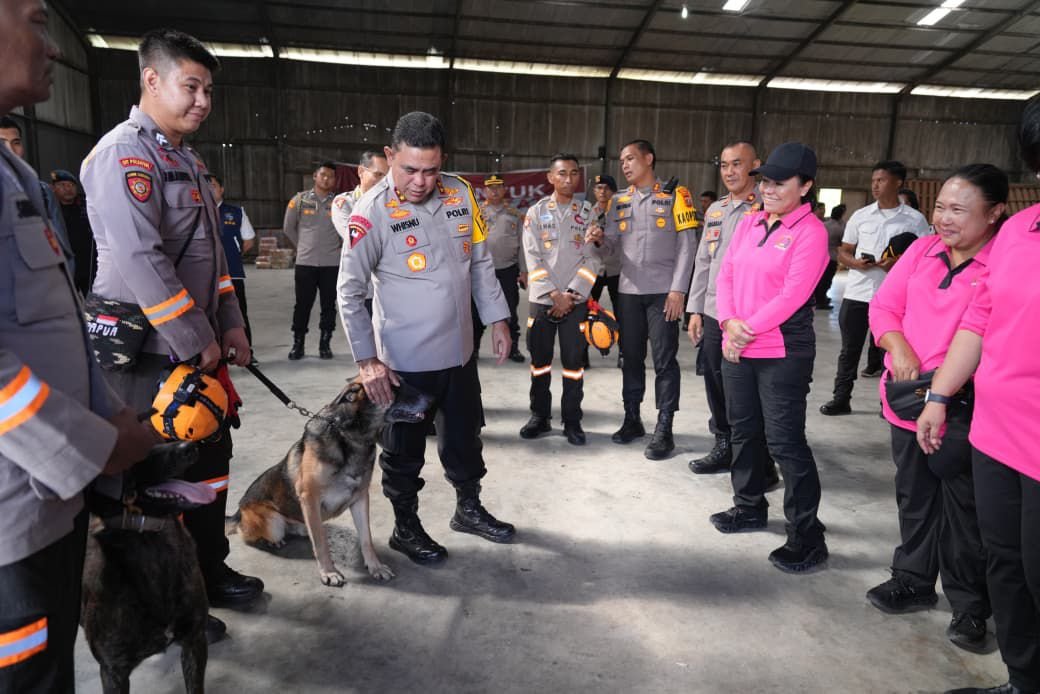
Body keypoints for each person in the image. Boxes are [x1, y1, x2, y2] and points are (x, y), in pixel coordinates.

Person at [81, 29, 263, 634]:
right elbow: (142, 260)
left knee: (207, 463)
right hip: (145, 354)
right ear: (151, 80)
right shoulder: (123, 156)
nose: (203, 101)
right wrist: (195, 338)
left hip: (195, 352)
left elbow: (214, 260)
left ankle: (207, 572)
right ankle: (164, 604)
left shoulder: (187, 160)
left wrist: (230, 324)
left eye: (208, 90)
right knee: (153, 480)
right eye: (192, 86)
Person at [0, 2, 156, 690]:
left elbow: (59, 318)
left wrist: (109, 415)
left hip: (47, 504)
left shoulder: (16, 176)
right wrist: (95, 445)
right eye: (37, 21)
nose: (54, 46)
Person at [338, 111, 515, 565]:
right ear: (390, 155)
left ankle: (468, 509)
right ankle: (405, 527)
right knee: (403, 451)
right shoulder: (370, 213)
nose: (420, 182)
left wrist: (498, 318)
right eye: (410, 169)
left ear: (444, 162)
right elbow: (349, 293)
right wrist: (368, 362)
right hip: (404, 363)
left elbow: (479, 261)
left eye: (431, 170)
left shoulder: (461, 193)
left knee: (464, 437)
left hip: (459, 352)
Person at [918, 100, 1040, 694]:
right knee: (1006, 564)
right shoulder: (1019, 229)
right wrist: (939, 395)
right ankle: (1023, 680)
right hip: (996, 433)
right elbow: (979, 320)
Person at [867, 165, 1005, 654]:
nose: (945, 218)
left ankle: (970, 606)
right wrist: (899, 348)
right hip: (907, 398)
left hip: (964, 405)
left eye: (959, 210)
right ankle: (913, 579)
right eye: (941, 207)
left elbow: (987, 334)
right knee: (914, 495)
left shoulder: (1001, 263)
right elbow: (883, 307)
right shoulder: (922, 251)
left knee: (964, 509)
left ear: (994, 213)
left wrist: (944, 389)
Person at [710, 142, 830, 574]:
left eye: (780, 183)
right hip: (738, 345)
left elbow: (793, 295)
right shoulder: (750, 221)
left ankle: (807, 536)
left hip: (781, 351)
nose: (769, 189)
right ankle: (748, 506)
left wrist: (744, 329)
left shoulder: (811, 233)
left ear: (806, 186)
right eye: (766, 182)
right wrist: (728, 322)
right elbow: (726, 274)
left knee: (784, 442)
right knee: (743, 430)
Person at [597, 139, 697, 460]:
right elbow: (611, 247)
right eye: (622, 160)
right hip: (628, 291)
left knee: (664, 360)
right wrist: (598, 240)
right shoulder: (619, 201)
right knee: (630, 357)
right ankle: (632, 418)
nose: (625, 165)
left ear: (649, 158)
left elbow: (687, 245)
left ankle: (664, 428)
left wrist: (678, 290)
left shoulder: (676, 196)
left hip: (663, 293)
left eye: (630, 158)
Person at [686, 141, 777, 489]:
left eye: (737, 164)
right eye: (724, 165)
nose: (729, 172)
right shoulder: (716, 210)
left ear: (755, 165)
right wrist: (695, 309)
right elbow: (703, 262)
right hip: (714, 311)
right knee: (716, 381)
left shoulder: (767, 207)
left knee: (751, 392)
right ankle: (724, 444)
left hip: (751, 316)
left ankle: (760, 460)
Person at [820, 161, 929, 415]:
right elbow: (844, 251)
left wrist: (896, 265)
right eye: (873, 181)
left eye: (881, 180)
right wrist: (855, 263)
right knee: (849, 351)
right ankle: (841, 399)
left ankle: (887, 404)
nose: (875, 185)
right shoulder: (861, 216)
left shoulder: (915, 220)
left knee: (887, 355)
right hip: (857, 294)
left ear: (898, 182)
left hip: (893, 300)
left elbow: (924, 258)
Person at [519, 154, 602, 446]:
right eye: (562, 173)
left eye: (574, 173)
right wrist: (554, 294)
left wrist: (571, 294)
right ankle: (539, 416)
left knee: (573, 364)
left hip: (575, 302)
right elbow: (532, 256)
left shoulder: (588, 213)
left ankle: (572, 420)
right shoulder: (536, 212)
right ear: (550, 177)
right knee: (540, 362)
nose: (569, 179)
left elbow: (593, 259)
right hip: (543, 300)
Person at [0, 114, 73, 274]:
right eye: (2, 144)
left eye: (16, 143)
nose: (10, 150)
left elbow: (62, 250)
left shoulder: (43, 193)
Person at [284, 161, 341, 360]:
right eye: (323, 174)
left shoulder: (340, 203)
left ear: (334, 180)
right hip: (305, 263)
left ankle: (325, 344)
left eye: (330, 176)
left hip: (331, 264)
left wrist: (339, 248)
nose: (326, 179)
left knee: (329, 306)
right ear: (315, 176)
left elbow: (347, 229)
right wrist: (302, 247)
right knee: (302, 305)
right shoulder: (299, 200)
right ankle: (298, 344)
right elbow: (288, 228)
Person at [475, 173, 526, 363]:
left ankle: (513, 349)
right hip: (481, 271)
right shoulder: (476, 213)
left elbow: (523, 245)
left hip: (507, 269)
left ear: (504, 190)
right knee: (476, 312)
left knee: (509, 310)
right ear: (485, 191)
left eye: (498, 187)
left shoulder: (515, 215)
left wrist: (524, 271)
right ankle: (474, 349)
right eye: (491, 188)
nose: (495, 191)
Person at [331, 150, 389, 317]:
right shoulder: (345, 203)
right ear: (361, 171)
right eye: (378, 174)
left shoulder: (394, 204)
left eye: (387, 177)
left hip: (390, 290)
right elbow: (356, 238)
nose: (383, 182)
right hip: (365, 290)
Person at [207, 173, 256, 348]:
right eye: (205, 186)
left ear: (221, 189)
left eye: (213, 185)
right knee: (208, 314)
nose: (209, 189)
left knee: (238, 312)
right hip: (205, 274)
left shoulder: (236, 212)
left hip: (232, 273)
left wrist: (233, 253)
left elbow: (248, 240)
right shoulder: (197, 212)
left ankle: (247, 351)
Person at [588, 173, 622, 368]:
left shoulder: (621, 212)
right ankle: (581, 354)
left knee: (622, 313)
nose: (602, 191)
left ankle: (624, 353)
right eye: (599, 188)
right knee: (587, 312)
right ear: (594, 191)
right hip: (594, 269)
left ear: (613, 192)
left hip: (616, 268)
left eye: (607, 188)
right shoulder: (586, 213)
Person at [50, 168, 96, 296]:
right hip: (64, 267)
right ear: (53, 188)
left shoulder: (87, 204)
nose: (68, 188)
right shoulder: (50, 209)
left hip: (89, 265)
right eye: (62, 185)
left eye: (71, 185)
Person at [813, 203, 846, 311]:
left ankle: (819, 298)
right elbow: (843, 242)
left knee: (820, 279)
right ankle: (821, 301)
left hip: (820, 256)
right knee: (826, 280)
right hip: (831, 257)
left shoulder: (824, 224)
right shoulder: (839, 228)